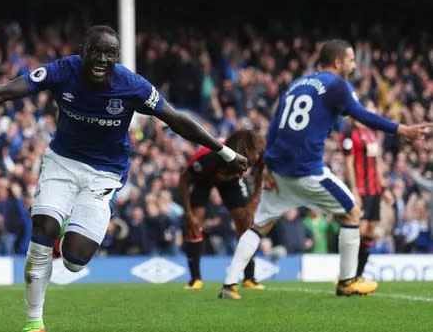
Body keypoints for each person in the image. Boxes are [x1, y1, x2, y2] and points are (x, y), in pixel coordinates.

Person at [0, 25, 249, 332]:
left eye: (110, 54)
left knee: (75, 260)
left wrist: (224, 152)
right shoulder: (63, 70)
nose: (103, 59)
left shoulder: (132, 85)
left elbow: (176, 119)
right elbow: (6, 90)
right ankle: (34, 325)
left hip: (105, 174)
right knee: (41, 232)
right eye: (96, 51)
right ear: (83, 49)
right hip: (62, 162)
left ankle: (62, 242)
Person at [219, 39, 431, 299]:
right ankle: (347, 282)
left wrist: (266, 168)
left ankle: (229, 284)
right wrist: (401, 129)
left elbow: (274, 127)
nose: (354, 65)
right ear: (338, 62)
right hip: (307, 171)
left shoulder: (296, 84)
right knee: (352, 212)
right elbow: (361, 114)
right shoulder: (337, 85)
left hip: (279, 171)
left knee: (259, 225)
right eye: (352, 60)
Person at [180, 129, 265, 290]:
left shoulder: (257, 154)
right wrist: (187, 213)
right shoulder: (207, 158)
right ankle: (195, 279)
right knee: (194, 222)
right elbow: (183, 180)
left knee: (245, 220)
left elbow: (262, 171)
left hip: (231, 181)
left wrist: (254, 200)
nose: (250, 165)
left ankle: (249, 278)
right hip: (203, 179)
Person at [340, 99, 384, 280]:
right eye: (370, 109)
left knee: (370, 231)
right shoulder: (350, 132)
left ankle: (359, 275)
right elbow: (348, 164)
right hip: (362, 189)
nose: (373, 113)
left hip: (375, 189)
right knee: (359, 230)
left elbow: (376, 162)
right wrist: (354, 190)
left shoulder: (371, 132)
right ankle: (347, 275)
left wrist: (384, 187)